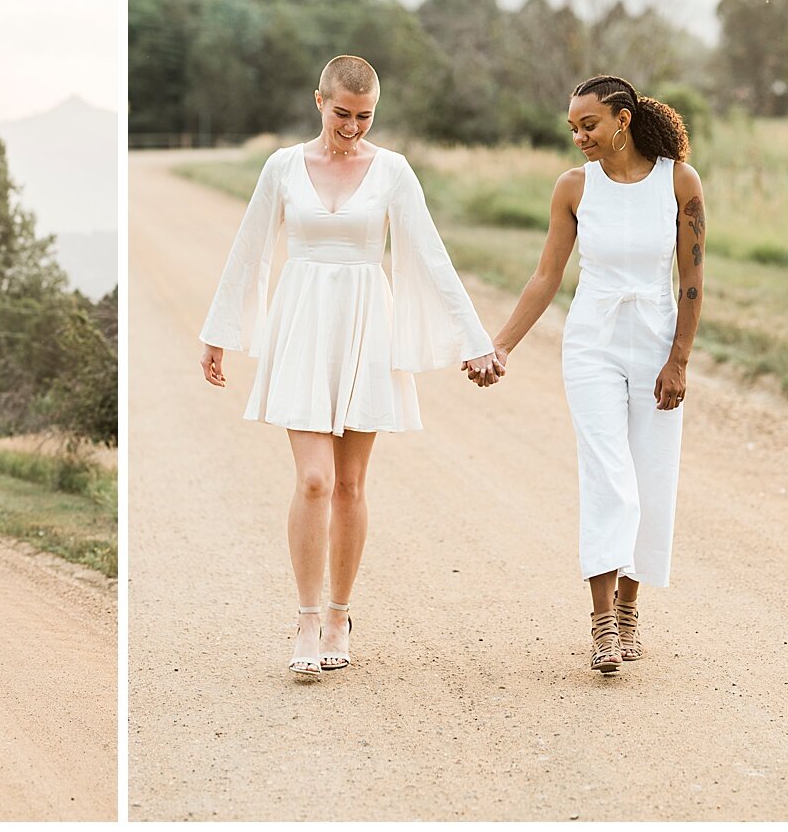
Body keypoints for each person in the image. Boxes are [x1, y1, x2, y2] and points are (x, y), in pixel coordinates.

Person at [200, 55, 499, 679]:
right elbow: (249, 248)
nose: (353, 127)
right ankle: (307, 619)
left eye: (365, 116)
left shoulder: (393, 171)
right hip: (303, 322)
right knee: (313, 481)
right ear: (319, 101)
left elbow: (431, 256)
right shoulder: (282, 167)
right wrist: (218, 334)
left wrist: (473, 339)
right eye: (342, 114)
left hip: (368, 324)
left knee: (351, 485)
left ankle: (339, 614)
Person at [478, 75, 703, 675]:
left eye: (590, 125)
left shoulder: (678, 181)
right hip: (592, 345)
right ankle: (602, 621)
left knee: (651, 478)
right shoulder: (573, 188)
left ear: (622, 119)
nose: (579, 136)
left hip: (655, 344)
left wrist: (679, 357)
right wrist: (500, 345)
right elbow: (548, 274)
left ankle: (631, 612)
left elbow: (692, 279)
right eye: (573, 128)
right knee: (608, 474)